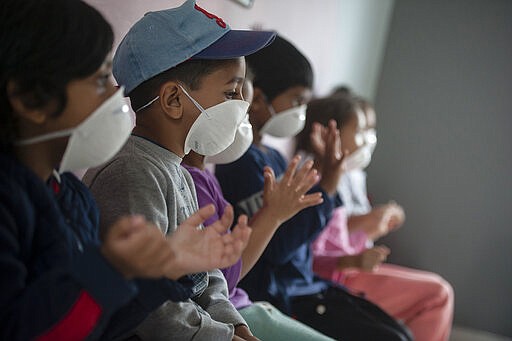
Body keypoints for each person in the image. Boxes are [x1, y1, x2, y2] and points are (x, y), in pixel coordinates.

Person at [0, 0, 250, 340]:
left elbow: (106, 324)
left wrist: (160, 272)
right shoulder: (13, 204)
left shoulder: (70, 198)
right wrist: (112, 270)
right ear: (30, 98)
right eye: (101, 79)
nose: (118, 92)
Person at [83, 1, 274, 339]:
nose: (242, 105)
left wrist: (236, 327)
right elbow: (152, 306)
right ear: (173, 99)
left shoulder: (180, 172)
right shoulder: (132, 173)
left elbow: (206, 276)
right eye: (231, 92)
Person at [215, 34, 413, 340]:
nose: (301, 112)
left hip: (307, 285)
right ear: (257, 100)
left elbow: (304, 239)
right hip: (280, 295)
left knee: (399, 333)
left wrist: (325, 175)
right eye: (296, 101)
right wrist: (329, 182)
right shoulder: (241, 163)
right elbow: (279, 248)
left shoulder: (275, 157)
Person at [182, 70, 335, 340]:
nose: (245, 115)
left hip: (244, 307)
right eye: (232, 97)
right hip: (241, 307)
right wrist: (272, 215)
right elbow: (224, 280)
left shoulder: (207, 175)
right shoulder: (194, 180)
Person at [298, 93, 454, 341]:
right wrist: (353, 260)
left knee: (437, 294)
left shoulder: (333, 180)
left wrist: (371, 230)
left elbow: (336, 241)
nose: (365, 142)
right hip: (335, 280)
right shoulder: (312, 182)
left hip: (346, 270)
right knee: (438, 294)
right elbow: (307, 260)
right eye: (358, 132)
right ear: (329, 133)